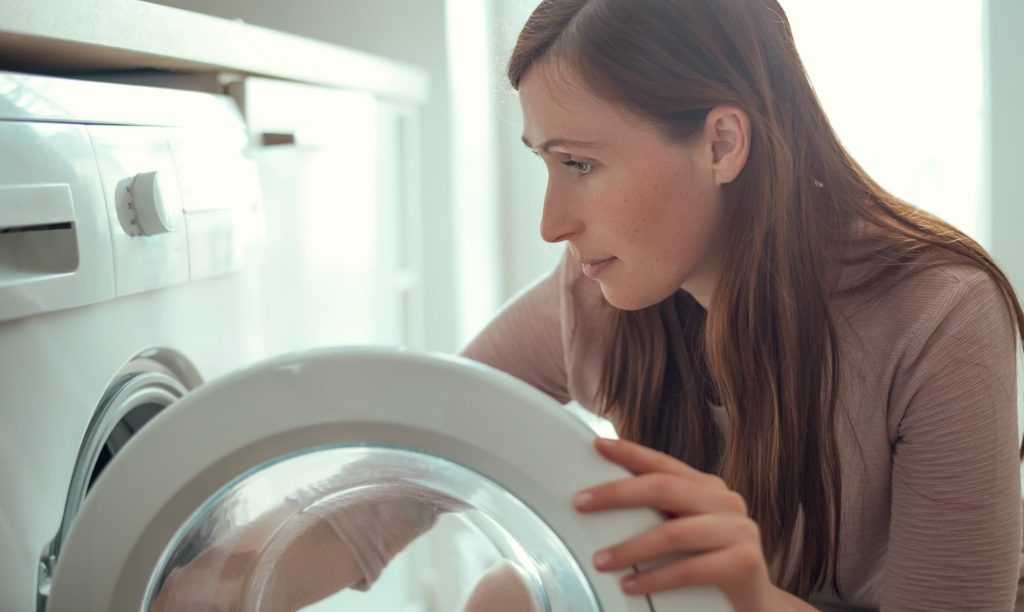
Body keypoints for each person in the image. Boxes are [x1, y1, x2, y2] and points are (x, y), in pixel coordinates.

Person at [154, 1, 1024, 610]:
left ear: (722, 142)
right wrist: (193, 589)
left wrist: (748, 602)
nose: (550, 222)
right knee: (505, 599)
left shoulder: (939, 316)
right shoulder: (599, 300)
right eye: (544, 162)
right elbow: (405, 472)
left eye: (579, 164)